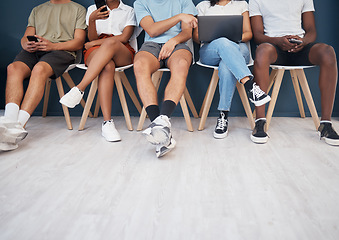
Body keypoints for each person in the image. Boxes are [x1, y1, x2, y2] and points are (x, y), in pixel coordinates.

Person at [249, 0, 339, 145]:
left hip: (300, 47)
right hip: (274, 47)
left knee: (328, 52)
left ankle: (326, 124)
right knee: (261, 51)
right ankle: (260, 122)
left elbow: (311, 31)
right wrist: (278, 41)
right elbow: (258, 35)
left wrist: (303, 41)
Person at [0, 0, 86, 152]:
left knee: (39, 70)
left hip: (61, 51)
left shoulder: (77, 9)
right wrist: (25, 44)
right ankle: (8, 124)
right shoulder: (37, 10)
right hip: (35, 51)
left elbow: (79, 42)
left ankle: (17, 129)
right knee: (13, 68)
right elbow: (26, 37)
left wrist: (53, 46)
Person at [60, 0, 137, 142]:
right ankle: (107, 123)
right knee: (107, 66)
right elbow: (92, 38)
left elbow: (125, 37)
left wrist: (95, 43)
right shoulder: (92, 10)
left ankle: (80, 88)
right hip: (97, 51)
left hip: (121, 49)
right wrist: (92, 20)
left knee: (111, 42)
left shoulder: (128, 10)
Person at [193, 0, 270, 139]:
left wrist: (229, 41)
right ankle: (250, 85)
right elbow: (197, 37)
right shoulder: (203, 6)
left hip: (239, 48)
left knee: (226, 63)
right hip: (210, 50)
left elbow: (248, 33)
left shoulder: (241, 5)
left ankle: (223, 115)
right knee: (223, 43)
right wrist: (220, 40)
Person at [133, 0, 198, 157]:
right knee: (140, 64)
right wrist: (179, 17)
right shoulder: (141, 2)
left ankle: (161, 124)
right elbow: (153, 30)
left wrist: (172, 41)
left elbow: (187, 33)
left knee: (181, 64)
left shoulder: (184, 1)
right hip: (151, 45)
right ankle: (160, 127)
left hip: (178, 44)